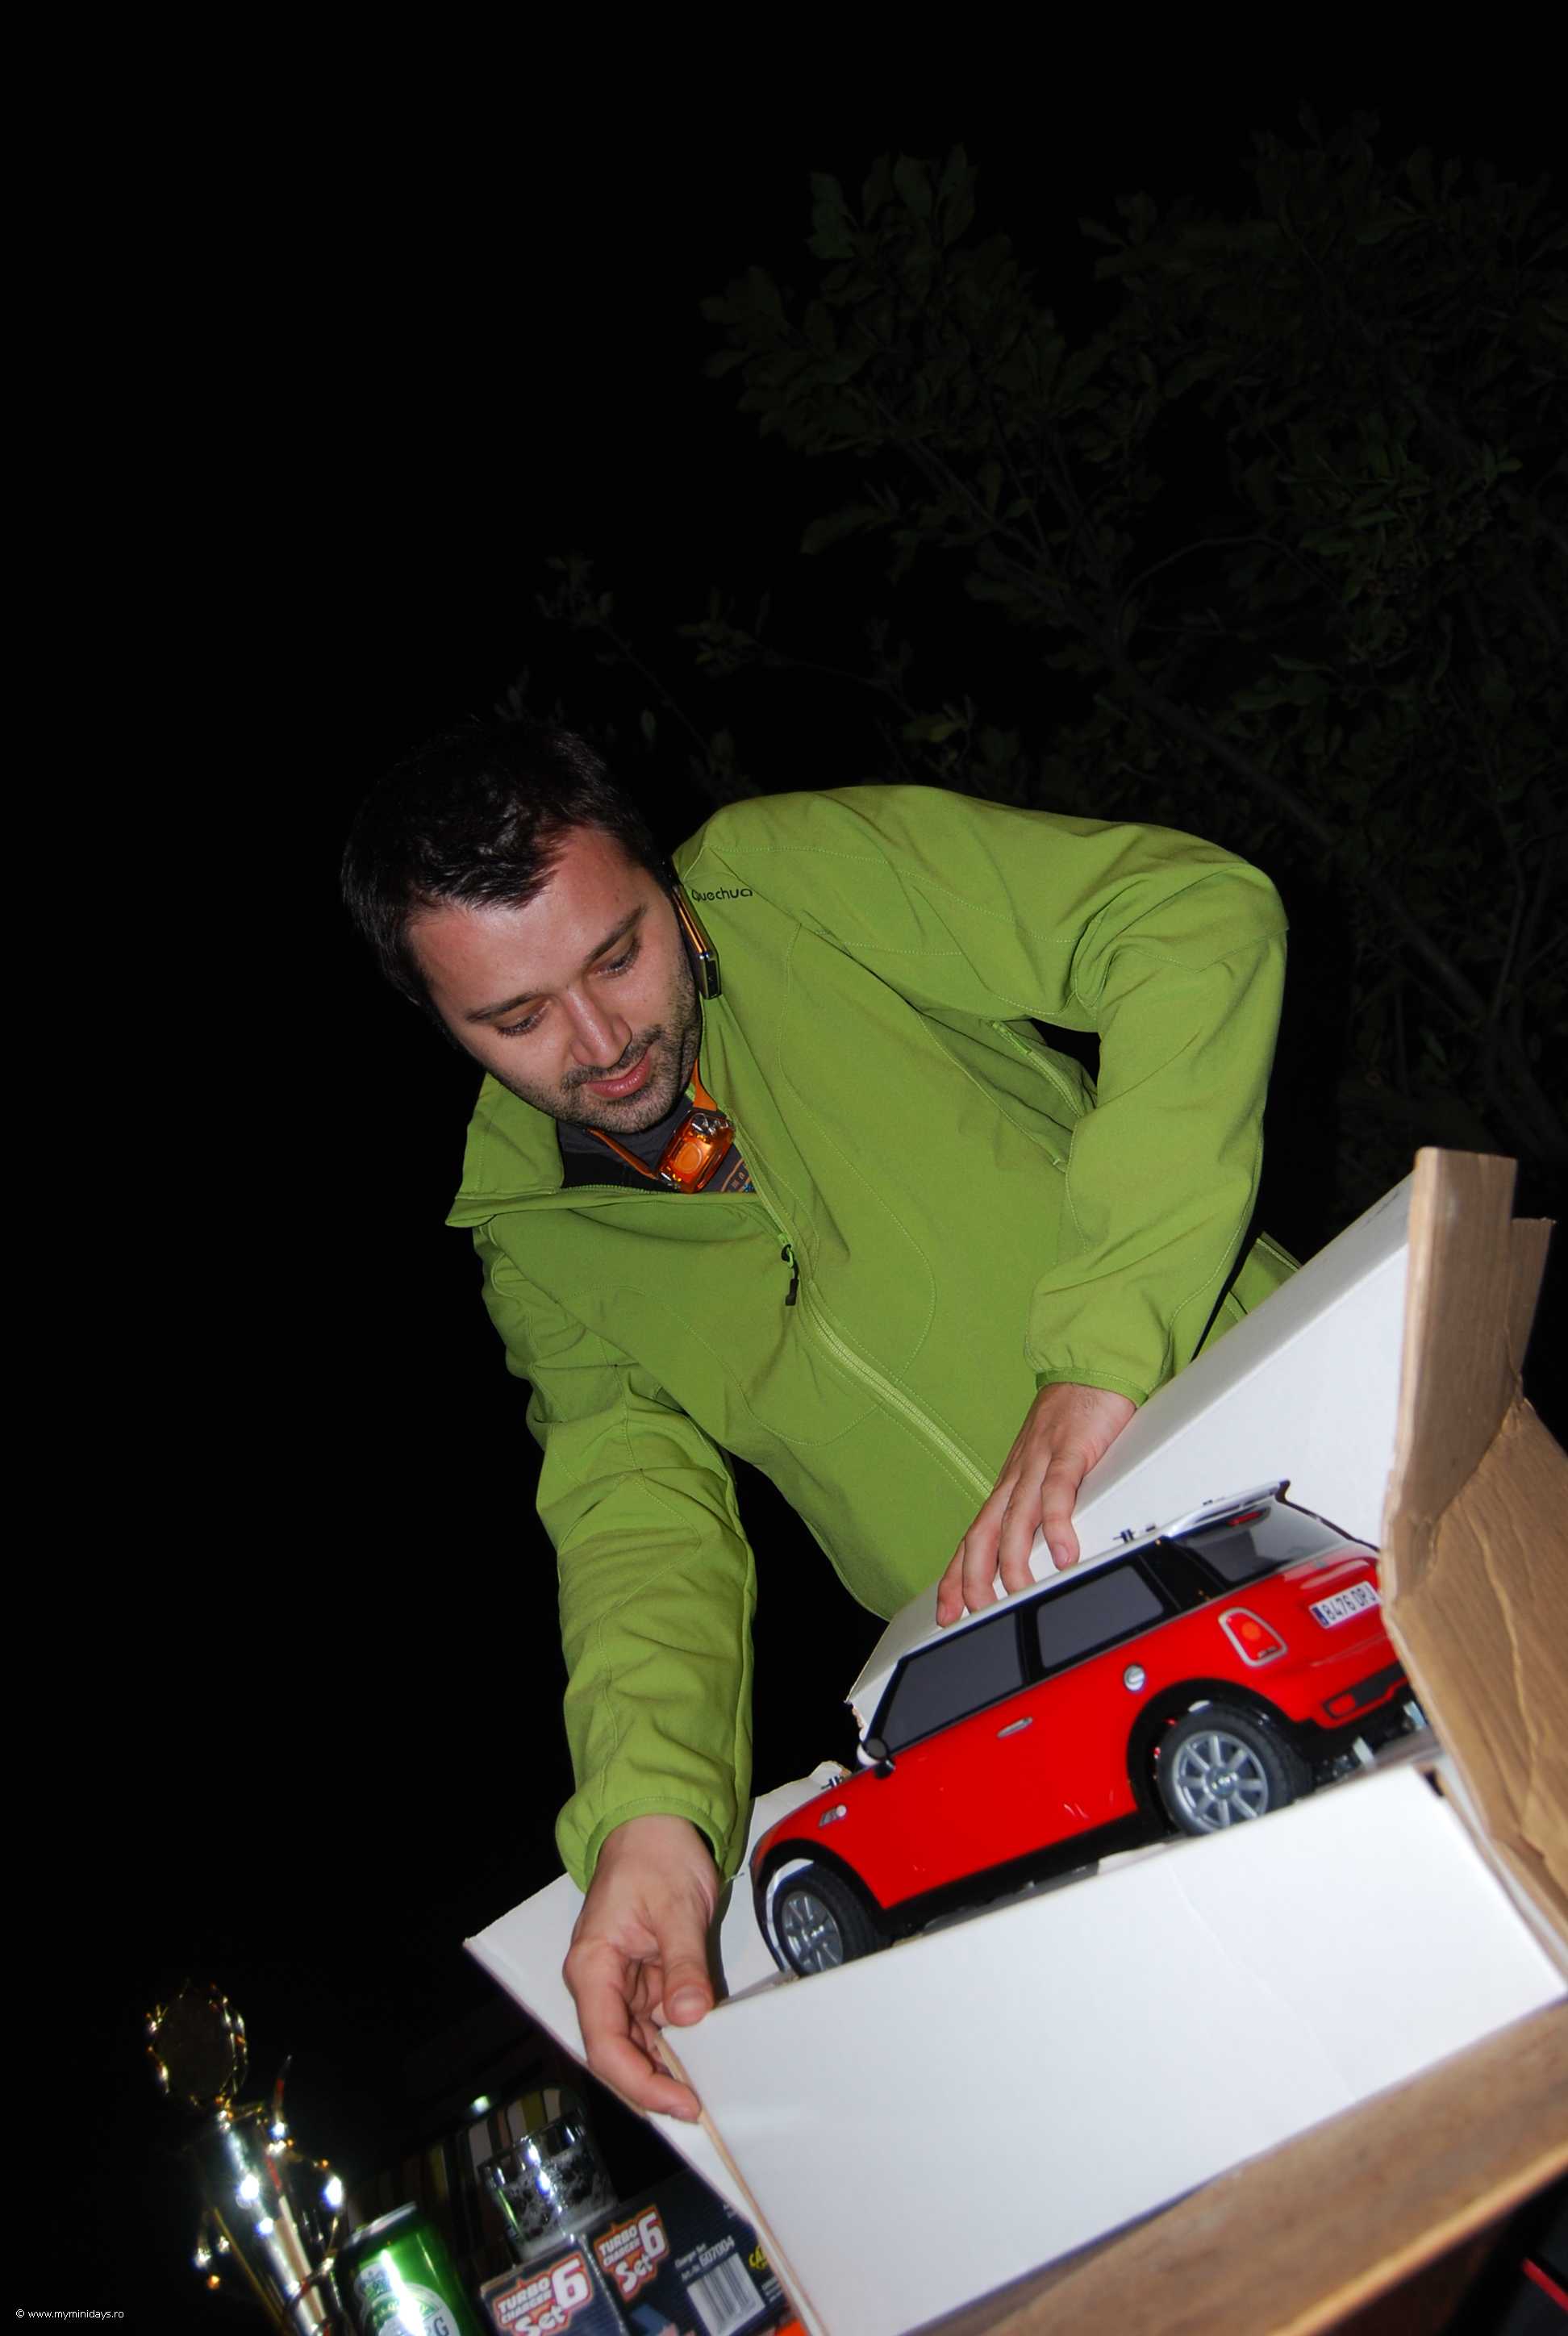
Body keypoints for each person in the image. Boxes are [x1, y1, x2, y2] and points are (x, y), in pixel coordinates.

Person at [342, 720, 1295, 2118]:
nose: (603, 1044)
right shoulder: (530, 1233)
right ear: (439, 1019)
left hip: (1301, 1474)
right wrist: (651, 1816)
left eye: (619, 956)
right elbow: (636, 1521)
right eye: (518, 1019)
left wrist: (1105, 1350)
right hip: (1039, 1695)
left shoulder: (788, 881)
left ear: (662, 882)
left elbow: (1189, 918)